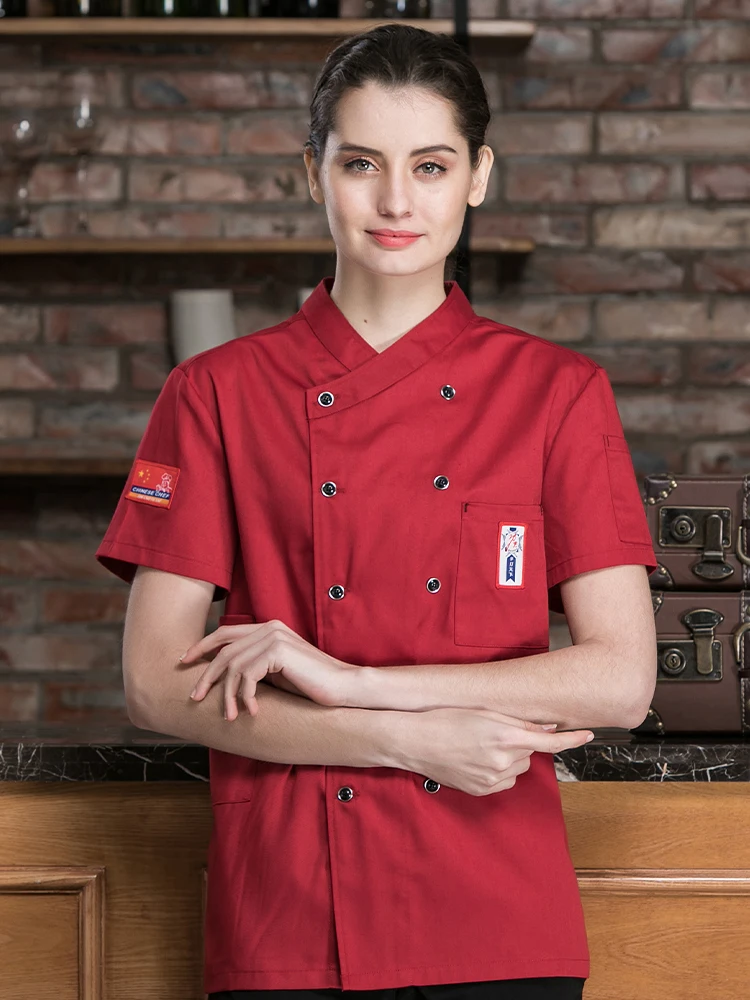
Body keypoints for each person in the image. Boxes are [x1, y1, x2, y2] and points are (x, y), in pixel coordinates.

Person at [95, 23, 658, 1000]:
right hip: (290, 913)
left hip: (502, 922)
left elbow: (618, 681)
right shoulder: (215, 393)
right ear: (311, 171)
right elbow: (152, 683)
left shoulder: (558, 391)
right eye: (361, 163)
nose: (397, 201)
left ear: (478, 175)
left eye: (431, 165)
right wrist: (406, 737)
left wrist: (347, 682)